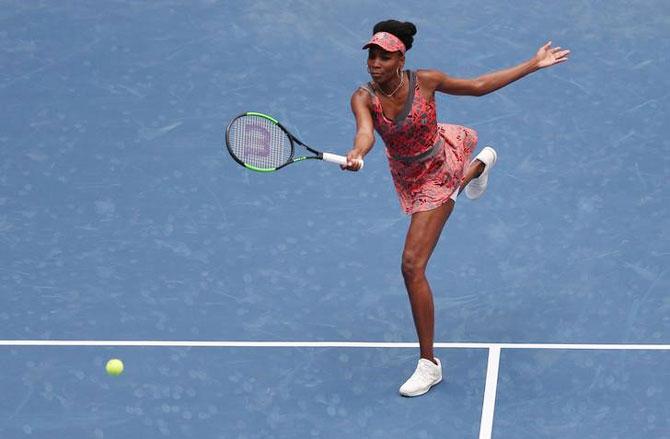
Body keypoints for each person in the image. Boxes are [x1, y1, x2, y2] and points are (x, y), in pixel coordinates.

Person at [342, 19, 569, 397]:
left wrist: (532, 64)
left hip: (440, 162)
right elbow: (365, 132)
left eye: (384, 56)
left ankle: (428, 365)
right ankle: (481, 165)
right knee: (443, 204)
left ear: (401, 58)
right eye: (372, 56)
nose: (375, 63)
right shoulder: (363, 98)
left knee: (412, 264)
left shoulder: (426, 81)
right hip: (409, 176)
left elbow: (478, 87)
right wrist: (357, 151)